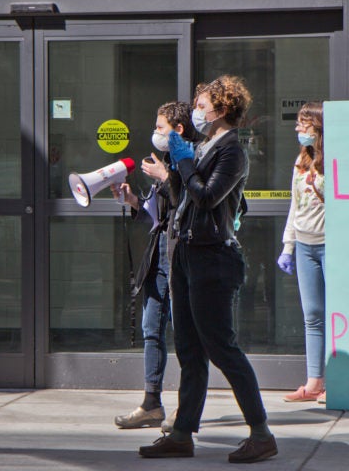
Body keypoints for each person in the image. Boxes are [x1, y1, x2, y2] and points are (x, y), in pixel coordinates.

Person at [139, 75, 277, 464]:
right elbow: (183, 197)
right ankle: (182, 433)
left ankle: (261, 433)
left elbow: (206, 196)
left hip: (213, 257)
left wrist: (182, 162)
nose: (197, 110)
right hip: (186, 252)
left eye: (202, 105)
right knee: (189, 348)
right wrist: (176, 170)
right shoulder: (203, 146)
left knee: (221, 347)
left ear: (222, 108)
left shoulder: (232, 151)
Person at [112, 101, 199, 430]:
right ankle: (151, 403)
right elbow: (159, 214)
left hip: (181, 257)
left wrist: (165, 177)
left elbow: (188, 205)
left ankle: (185, 408)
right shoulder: (164, 162)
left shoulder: (190, 160)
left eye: (160, 127)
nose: (155, 133)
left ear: (177, 130)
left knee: (185, 335)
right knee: (152, 330)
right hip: (159, 256)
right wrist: (133, 201)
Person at [276, 101, 326, 403]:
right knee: (313, 315)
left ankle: (337, 380)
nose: (297, 129)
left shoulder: (335, 160)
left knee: (336, 314)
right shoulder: (301, 160)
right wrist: (288, 246)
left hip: (331, 244)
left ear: (318, 127)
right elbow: (294, 206)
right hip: (306, 245)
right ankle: (313, 382)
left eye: (303, 124)